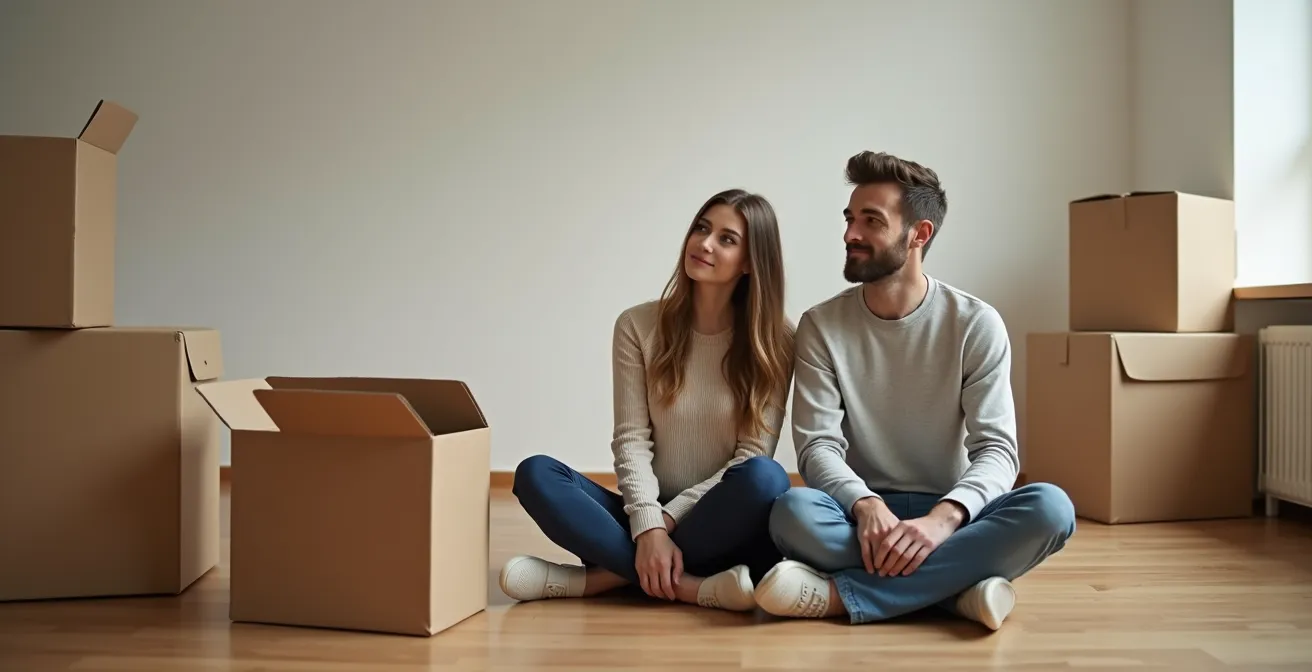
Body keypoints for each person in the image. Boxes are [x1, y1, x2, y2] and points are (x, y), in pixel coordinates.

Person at [756, 151, 1076, 631]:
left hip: (949, 509)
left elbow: (997, 450)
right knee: (791, 513)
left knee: (1051, 508)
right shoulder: (821, 326)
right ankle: (958, 592)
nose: (850, 235)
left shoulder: (976, 324)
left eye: (871, 221)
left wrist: (944, 519)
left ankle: (839, 597)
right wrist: (865, 506)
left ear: (918, 234)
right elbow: (818, 445)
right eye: (849, 219)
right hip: (860, 513)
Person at [501, 188, 796, 612]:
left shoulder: (776, 340)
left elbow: (749, 456)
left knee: (765, 477)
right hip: (645, 513)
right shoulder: (637, 325)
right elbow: (631, 440)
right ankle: (691, 587)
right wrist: (647, 525)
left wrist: (664, 525)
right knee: (536, 473)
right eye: (701, 228)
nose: (704, 243)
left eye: (726, 239)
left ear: (751, 262)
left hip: (720, 522)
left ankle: (600, 578)